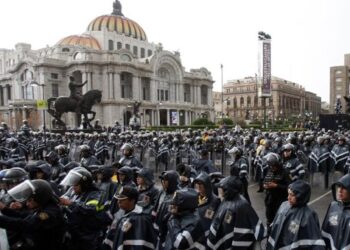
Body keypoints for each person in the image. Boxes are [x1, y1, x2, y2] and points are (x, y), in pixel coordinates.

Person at [0, 179, 65, 250]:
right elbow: (22, 215)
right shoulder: (42, 206)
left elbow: (26, 225)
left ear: (39, 198)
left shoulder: (49, 213)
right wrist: (4, 208)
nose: (27, 204)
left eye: (30, 200)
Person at [207, 176, 266, 249]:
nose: (219, 194)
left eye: (221, 190)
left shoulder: (242, 204)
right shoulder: (226, 201)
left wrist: (258, 246)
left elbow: (256, 225)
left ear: (228, 190)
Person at [267, 180, 325, 249]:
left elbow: (314, 241)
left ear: (301, 196)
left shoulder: (309, 215)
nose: (288, 198)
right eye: (288, 194)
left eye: (292, 195)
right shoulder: (284, 205)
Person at [59, 167, 105, 250]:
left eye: (76, 185)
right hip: (74, 234)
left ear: (84, 184)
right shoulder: (73, 191)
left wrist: (70, 203)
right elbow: (63, 198)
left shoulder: (95, 194)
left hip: (88, 237)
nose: (73, 187)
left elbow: (90, 209)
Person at [101, 185, 157, 250]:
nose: (119, 201)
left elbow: (139, 245)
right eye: (118, 199)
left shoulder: (140, 219)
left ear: (132, 201)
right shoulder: (121, 213)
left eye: (122, 199)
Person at [263, 152, 291, 232]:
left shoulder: (285, 172)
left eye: (274, 166)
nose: (272, 168)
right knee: (269, 220)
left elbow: (290, 187)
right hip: (270, 200)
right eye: (270, 166)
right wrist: (265, 186)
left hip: (281, 200)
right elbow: (265, 181)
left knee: (280, 221)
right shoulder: (269, 171)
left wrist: (277, 186)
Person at [322, 173, 350, 249]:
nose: (340, 190)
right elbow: (325, 231)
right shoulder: (333, 206)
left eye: (344, 187)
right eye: (339, 186)